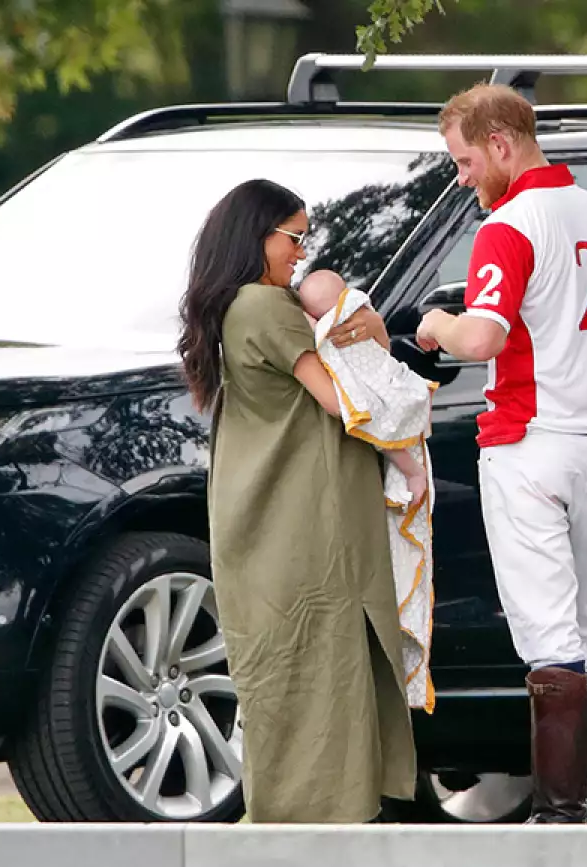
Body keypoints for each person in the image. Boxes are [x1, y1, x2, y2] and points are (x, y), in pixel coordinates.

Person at [416, 84, 587, 823]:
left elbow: (483, 337)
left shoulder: (509, 225)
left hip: (527, 444)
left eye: (466, 161)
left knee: (548, 634)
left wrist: (438, 322)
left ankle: (562, 814)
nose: (463, 178)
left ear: (501, 144)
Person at [177, 179, 416, 824]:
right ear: (258, 235)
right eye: (294, 237)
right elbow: (345, 401)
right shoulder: (266, 307)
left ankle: (292, 821)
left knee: (283, 678)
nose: (302, 253)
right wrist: (376, 342)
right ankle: (327, 822)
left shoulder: (234, 308)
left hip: (261, 522)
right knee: (325, 673)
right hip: (304, 522)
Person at [299, 267, 438, 712]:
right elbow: (354, 397)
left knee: (391, 432)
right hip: (381, 420)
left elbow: (356, 389)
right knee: (394, 435)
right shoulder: (340, 326)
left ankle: (412, 474)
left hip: (379, 412)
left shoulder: (345, 324)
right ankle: (412, 474)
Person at [299, 268, 431, 509]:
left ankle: (413, 473)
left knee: (383, 430)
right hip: (390, 387)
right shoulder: (360, 309)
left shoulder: (337, 323)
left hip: (379, 390)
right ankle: (413, 473)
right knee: (389, 431)